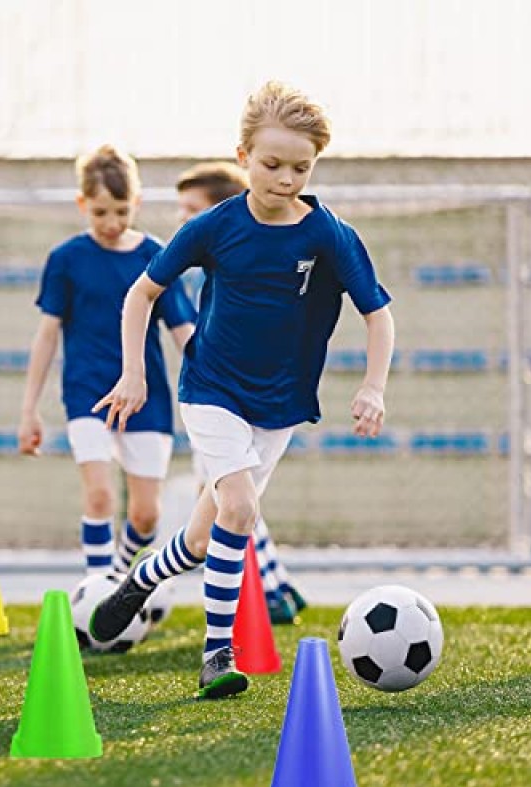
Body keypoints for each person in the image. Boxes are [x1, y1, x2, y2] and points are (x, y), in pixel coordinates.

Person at [90, 80, 394, 699]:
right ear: (243, 156)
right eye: (272, 163)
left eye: (300, 167)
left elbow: (378, 315)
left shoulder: (328, 235)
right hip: (211, 388)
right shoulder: (214, 227)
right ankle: (216, 654)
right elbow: (142, 293)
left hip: (279, 405)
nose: (285, 177)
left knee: (206, 536)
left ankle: (143, 576)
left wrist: (373, 386)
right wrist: (133, 371)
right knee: (240, 510)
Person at [19, 145, 195, 580]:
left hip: (145, 397)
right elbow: (47, 335)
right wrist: (29, 409)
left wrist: (222, 381)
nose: (112, 223)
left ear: (136, 203)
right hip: (87, 392)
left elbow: (183, 332)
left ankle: (116, 583)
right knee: (98, 497)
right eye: (100, 213)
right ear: (83, 205)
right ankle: (96, 594)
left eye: (121, 211)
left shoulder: (155, 255)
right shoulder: (66, 260)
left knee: (146, 516)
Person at [175, 161, 308, 625]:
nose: (185, 221)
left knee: (227, 495)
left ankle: (268, 589)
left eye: (193, 211)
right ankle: (275, 582)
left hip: (236, 399)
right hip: (211, 396)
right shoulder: (200, 265)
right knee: (231, 495)